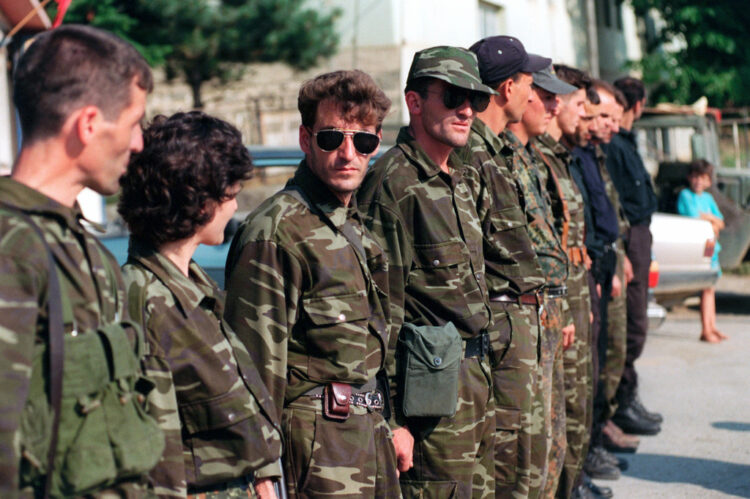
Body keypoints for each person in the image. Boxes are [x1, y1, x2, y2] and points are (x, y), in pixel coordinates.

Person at [0, 25, 164, 496]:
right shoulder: (13, 248)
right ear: (88, 124)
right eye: (134, 123)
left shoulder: (86, 249)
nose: (138, 143)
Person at [224, 70, 400, 498]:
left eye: (362, 142)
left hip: (368, 439)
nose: (347, 154)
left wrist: (393, 426)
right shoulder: (276, 230)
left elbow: (372, 349)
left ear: (376, 144)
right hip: (314, 454)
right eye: (330, 139)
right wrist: (262, 473)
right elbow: (254, 367)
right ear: (306, 140)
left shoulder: (356, 225)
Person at [118, 111, 283, 498]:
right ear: (197, 196)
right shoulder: (145, 301)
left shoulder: (195, 286)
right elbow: (156, 461)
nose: (233, 205)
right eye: (230, 191)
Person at [357, 46, 497, 497]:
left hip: (475, 377)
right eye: (453, 96)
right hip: (428, 399)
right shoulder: (393, 186)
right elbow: (381, 314)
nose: (466, 110)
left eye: (475, 99)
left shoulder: (457, 177)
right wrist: (394, 421)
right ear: (414, 103)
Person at [461, 35, 548, 498]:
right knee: (508, 463)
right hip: (498, 329)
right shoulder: (472, 155)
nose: (534, 97)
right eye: (530, 85)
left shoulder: (493, 150)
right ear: (508, 88)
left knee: (526, 459)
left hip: (515, 326)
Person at [506, 68, 576, 497]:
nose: (555, 106)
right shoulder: (502, 158)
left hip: (547, 309)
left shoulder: (531, 157)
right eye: (541, 94)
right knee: (528, 459)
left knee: (552, 437)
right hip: (521, 319)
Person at [531, 64, 594, 499]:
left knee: (577, 398)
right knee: (562, 405)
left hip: (569, 286)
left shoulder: (555, 159)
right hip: (550, 297)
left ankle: (575, 482)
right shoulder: (534, 159)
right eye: (579, 104)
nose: (583, 115)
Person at [608, 77, 665, 435]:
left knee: (636, 321)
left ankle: (627, 398)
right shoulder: (614, 143)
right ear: (639, 104)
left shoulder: (624, 141)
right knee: (631, 325)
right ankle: (621, 403)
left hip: (640, 235)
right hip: (629, 238)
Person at [677, 159, 727, 343]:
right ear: (690, 178)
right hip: (699, 248)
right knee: (706, 288)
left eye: (703, 178)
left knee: (711, 288)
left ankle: (712, 326)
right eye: (696, 177)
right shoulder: (685, 196)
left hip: (712, 248)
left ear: (708, 181)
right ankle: (706, 329)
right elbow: (694, 220)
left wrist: (709, 219)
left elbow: (720, 223)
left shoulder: (707, 199)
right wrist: (710, 220)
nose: (698, 181)